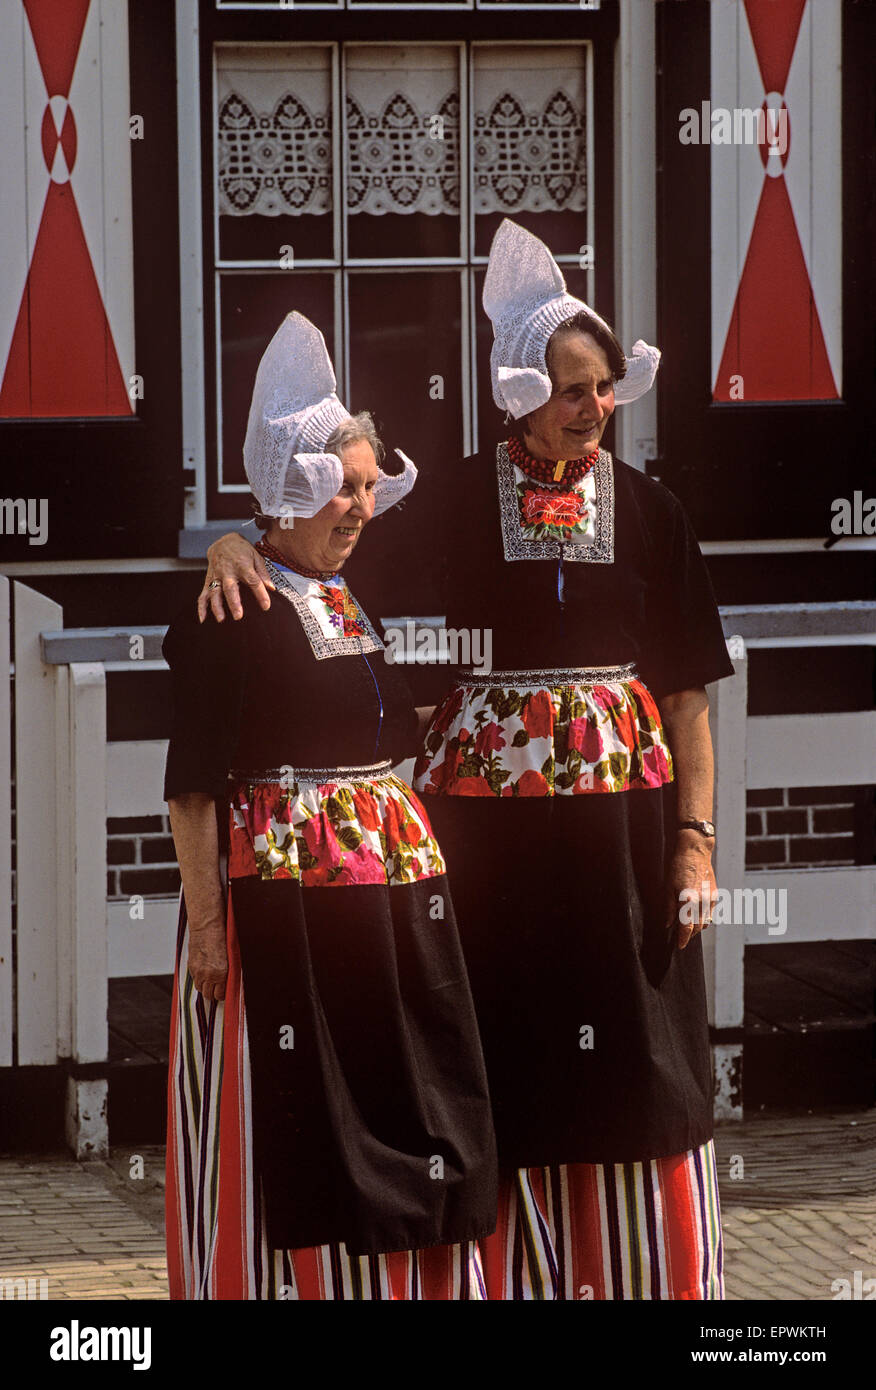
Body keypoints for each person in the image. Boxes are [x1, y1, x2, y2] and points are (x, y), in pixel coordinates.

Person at [199, 223, 735, 1300]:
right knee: (498, 1054)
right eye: (573, 389)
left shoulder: (655, 512)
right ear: (520, 393)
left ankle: (643, 1281)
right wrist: (231, 545)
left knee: (638, 1061)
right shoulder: (441, 502)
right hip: (484, 856)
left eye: (604, 388)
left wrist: (696, 843)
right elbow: (318, 551)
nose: (594, 409)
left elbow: (686, 694)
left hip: (626, 852)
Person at [163, 312, 497, 1300]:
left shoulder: (341, 592)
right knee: (286, 1109)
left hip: (368, 910)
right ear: (293, 486)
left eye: (365, 487)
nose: (359, 506)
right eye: (342, 487)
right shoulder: (235, 605)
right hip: (276, 918)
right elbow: (192, 781)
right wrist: (213, 933)